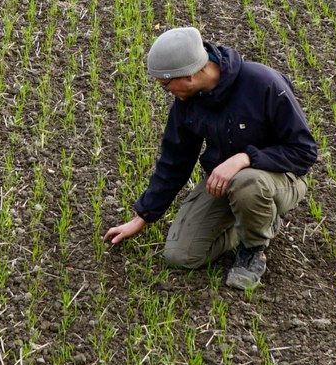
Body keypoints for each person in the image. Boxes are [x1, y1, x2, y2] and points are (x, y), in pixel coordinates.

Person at [105, 26, 318, 290]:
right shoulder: (188, 101)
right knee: (181, 255)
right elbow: (175, 159)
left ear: (189, 75)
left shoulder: (263, 83)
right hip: (225, 182)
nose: (167, 91)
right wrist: (143, 216)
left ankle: (252, 250)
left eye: (166, 85)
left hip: (279, 178)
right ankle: (252, 222)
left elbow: (304, 151)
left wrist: (244, 158)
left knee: (248, 183)